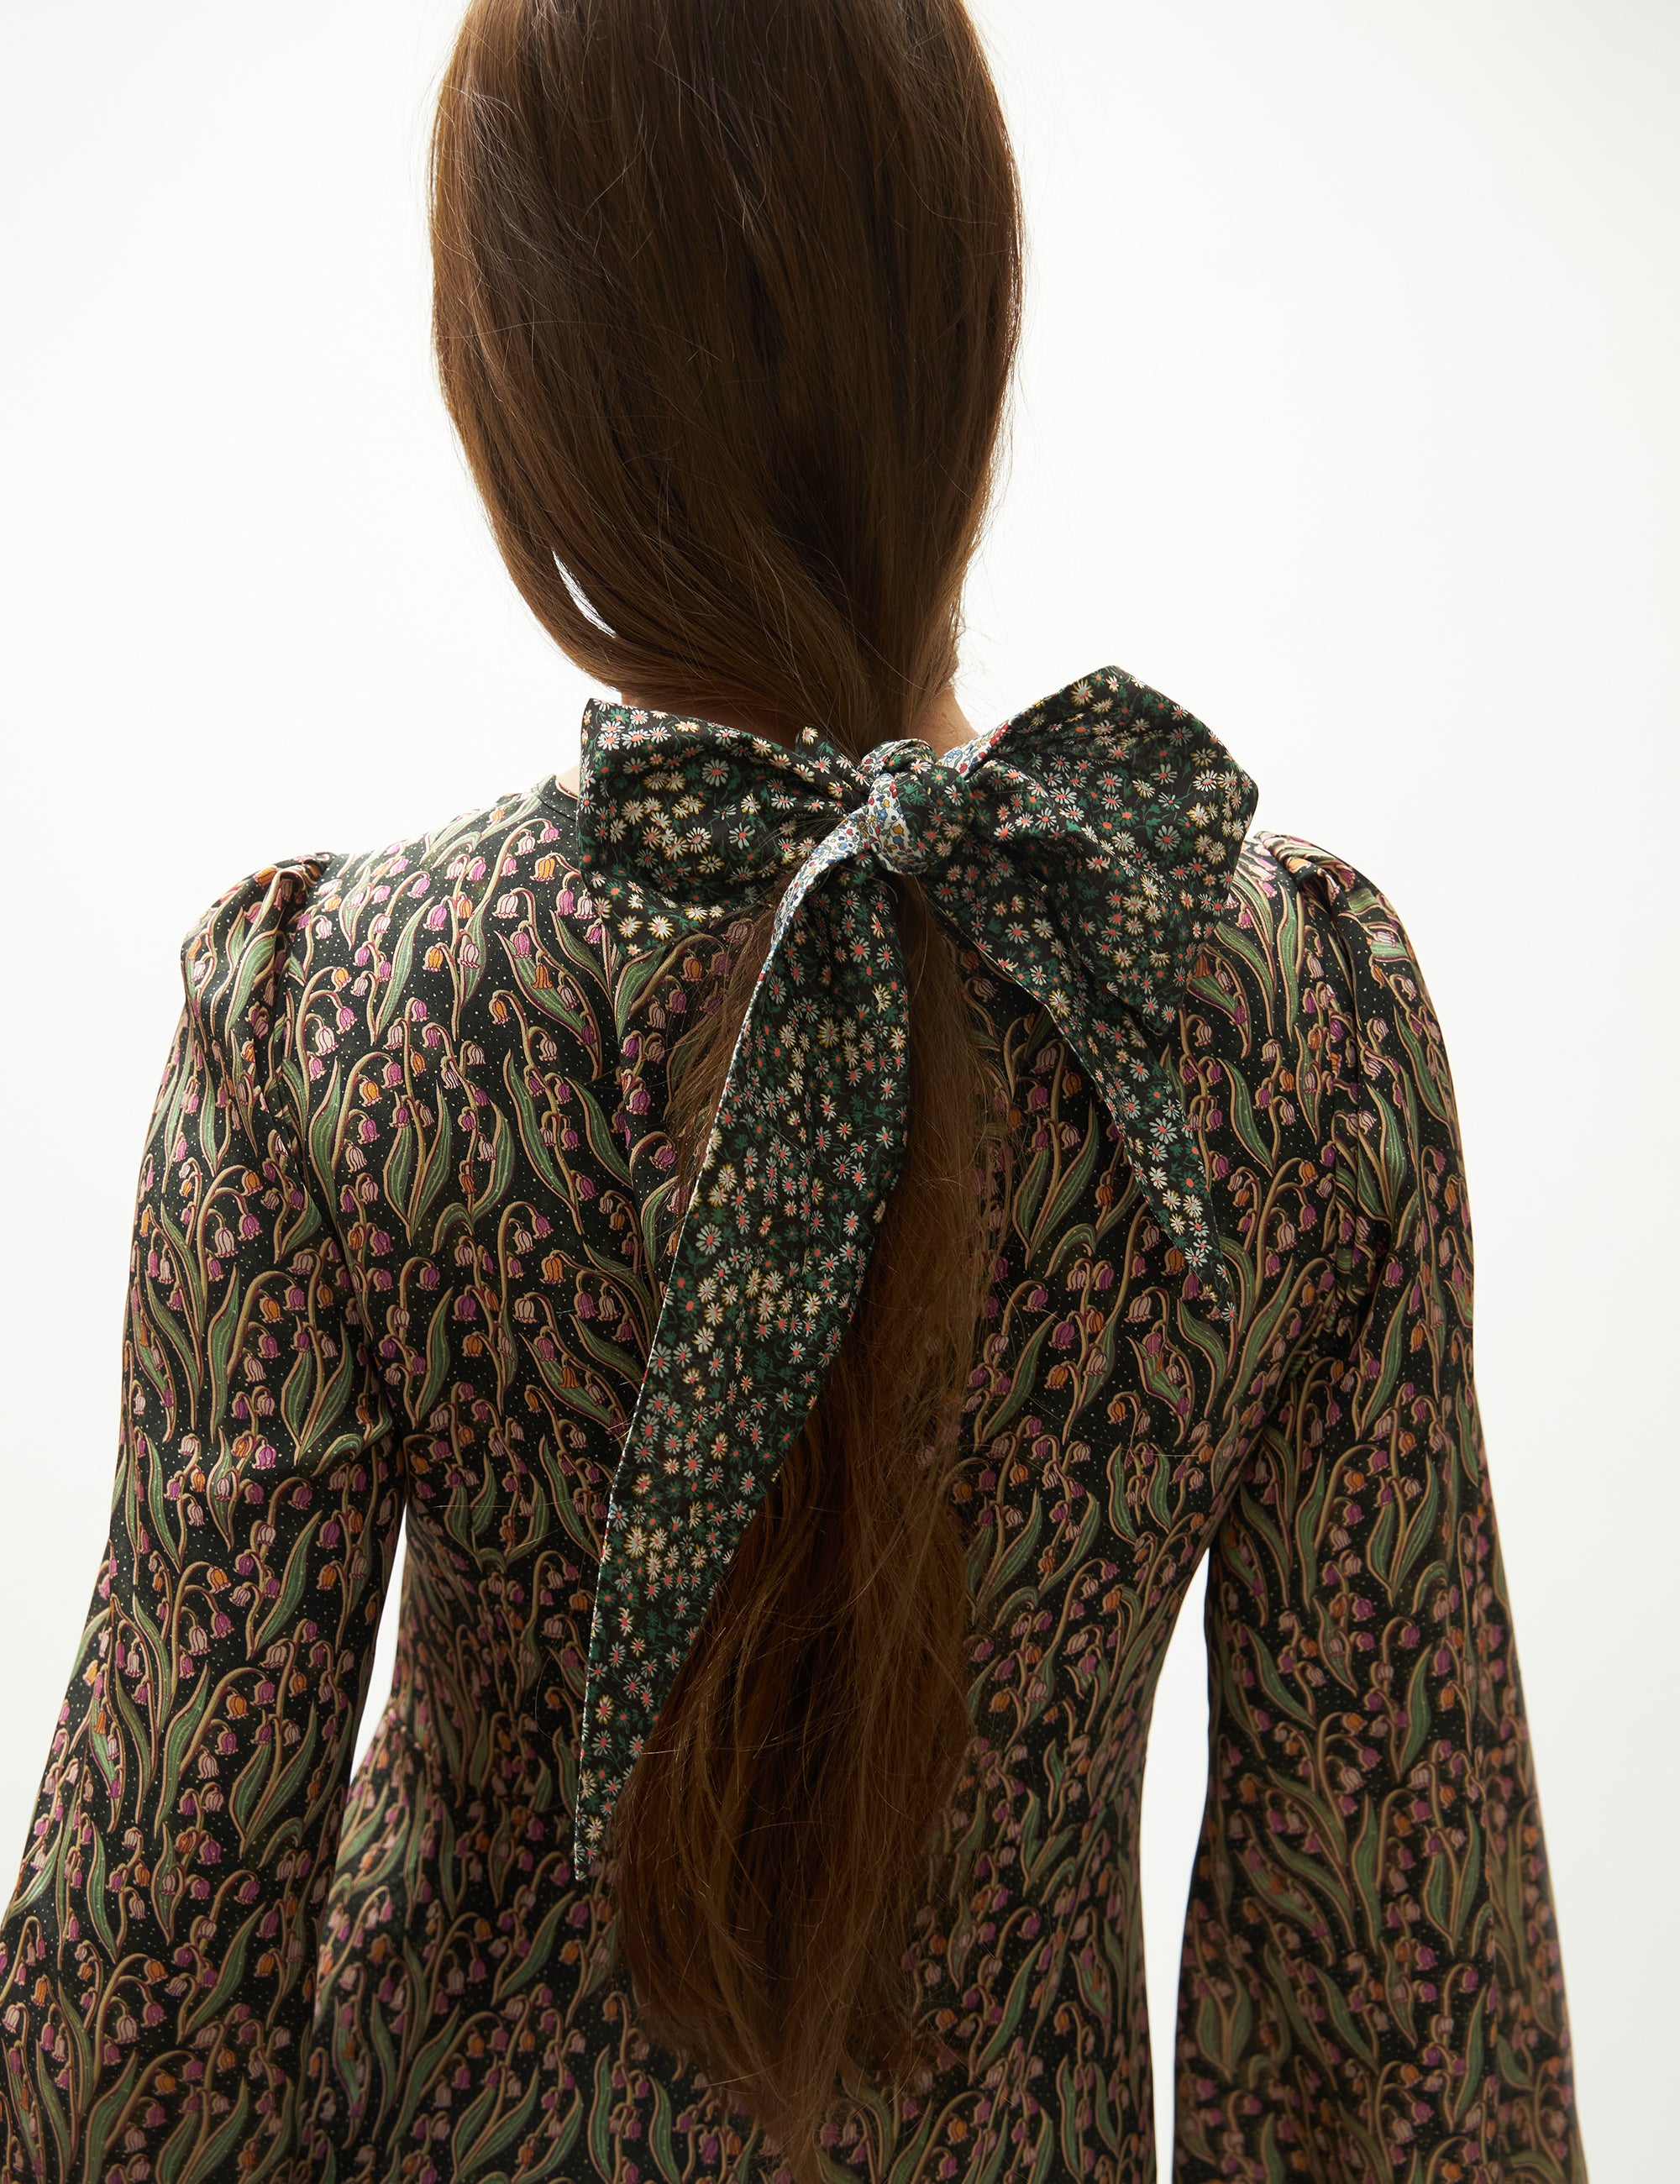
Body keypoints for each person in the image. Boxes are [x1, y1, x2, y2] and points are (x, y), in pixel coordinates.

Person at [0, 2, 1586, 2179]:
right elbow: (1398, 1986)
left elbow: (150, 1974)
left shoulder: (336, 1019)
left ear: (523, 384)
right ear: (972, 308)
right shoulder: (1289, 1019)